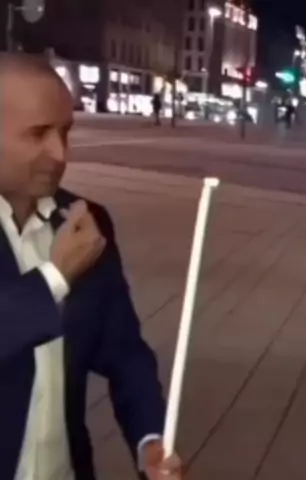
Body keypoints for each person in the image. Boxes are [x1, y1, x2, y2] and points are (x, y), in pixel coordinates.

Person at [0, 53, 181, 479]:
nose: (59, 153)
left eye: (65, 132)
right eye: (38, 133)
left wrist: (150, 439)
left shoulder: (84, 223)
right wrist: (55, 279)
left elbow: (124, 351)